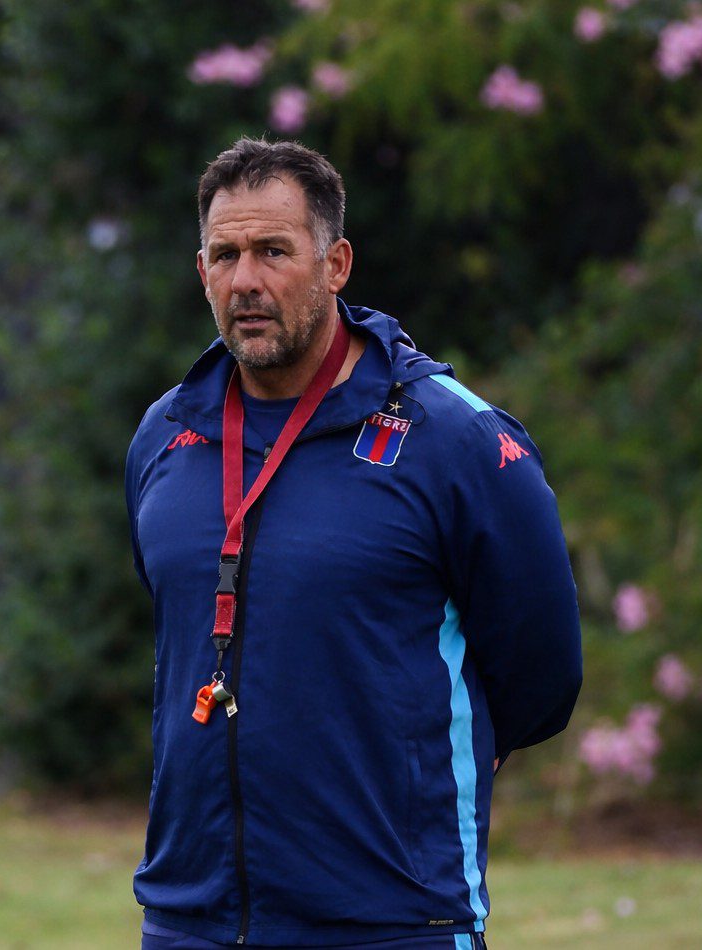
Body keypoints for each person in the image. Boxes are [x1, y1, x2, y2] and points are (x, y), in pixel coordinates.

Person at [125, 137, 582, 949]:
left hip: (393, 921)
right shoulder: (167, 433)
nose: (246, 280)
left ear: (335, 265)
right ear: (201, 271)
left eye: (274, 251)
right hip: (191, 920)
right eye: (225, 256)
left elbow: (541, 675)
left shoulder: (455, 440)